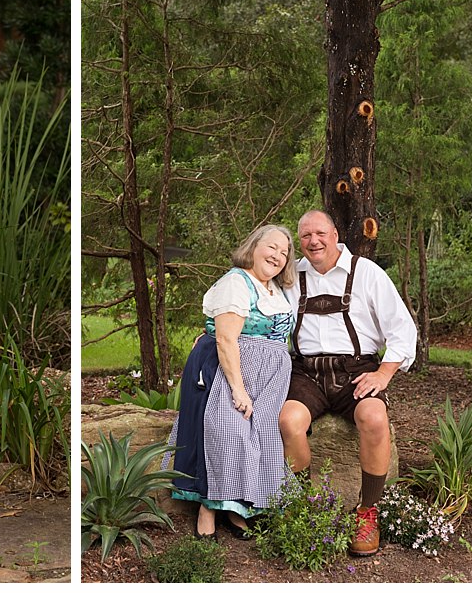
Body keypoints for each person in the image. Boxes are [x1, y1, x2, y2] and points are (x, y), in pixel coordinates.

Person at [279, 209, 417, 556]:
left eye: (321, 233)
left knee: (373, 418)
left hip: (356, 371)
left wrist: (384, 373)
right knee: (288, 421)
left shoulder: (366, 273)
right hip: (306, 373)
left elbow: (402, 329)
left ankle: (368, 511)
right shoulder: (290, 276)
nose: (314, 241)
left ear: (336, 234)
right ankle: (305, 505)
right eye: (306, 235)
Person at [164, 224, 295, 540]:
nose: (277, 256)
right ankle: (208, 509)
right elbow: (225, 339)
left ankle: (236, 507)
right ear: (254, 246)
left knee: (262, 436)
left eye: (284, 252)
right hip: (227, 372)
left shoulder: (277, 289)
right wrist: (238, 389)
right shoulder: (237, 283)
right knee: (228, 431)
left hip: (266, 380)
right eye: (272, 247)